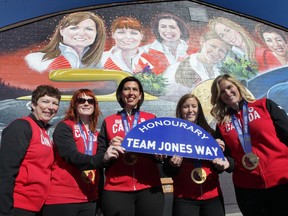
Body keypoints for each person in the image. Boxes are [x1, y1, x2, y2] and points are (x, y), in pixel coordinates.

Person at [210, 74, 288, 216]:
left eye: (229, 87)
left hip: (281, 181)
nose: (227, 93)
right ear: (218, 96)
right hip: (248, 189)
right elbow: (229, 158)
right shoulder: (222, 125)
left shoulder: (264, 105)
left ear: (237, 87)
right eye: (222, 91)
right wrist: (225, 164)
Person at [97, 76, 165, 216]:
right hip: (116, 189)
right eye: (126, 89)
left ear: (140, 95)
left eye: (135, 89)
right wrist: (108, 153)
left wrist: (160, 155)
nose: (131, 93)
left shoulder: (151, 119)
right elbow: (100, 156)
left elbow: (161, 150)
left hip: (149, 186)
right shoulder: (109, 121)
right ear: (121, 94)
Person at [41, 89, 105, 216]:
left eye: (90, 101)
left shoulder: (97, 134)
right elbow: (71, 156)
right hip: (63, 198)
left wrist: (100, 199)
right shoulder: (64, 127)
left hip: (89, 198)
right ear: (74, 105)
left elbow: (100, 169)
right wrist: (103, 159)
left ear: (95, 106)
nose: (86, 103)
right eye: (81, 100)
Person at [0, 85, 61, 216]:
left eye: (55, 103)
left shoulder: (44, 132)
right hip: (18, 205)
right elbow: (6, 171)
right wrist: (4, 210)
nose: (50, 107)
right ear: (33, 105)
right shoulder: (21, 127)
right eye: (45, 101)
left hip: (37, 206)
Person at [162, 93, 226, 216]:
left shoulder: (210, 135)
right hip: (184, 198)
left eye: (194, 106)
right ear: (180, 110)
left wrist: (220, 156)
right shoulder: (172, 136)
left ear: (199, 110)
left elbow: (219, 169)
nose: (190, 110)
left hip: (212, 196)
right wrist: (172, 165)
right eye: (186, 107)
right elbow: (167, 171)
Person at [25, 11, 106, 73]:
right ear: (62, 31)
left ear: (97, 34)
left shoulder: (101, 62)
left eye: (89, 29)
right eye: (74, 28)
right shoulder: (35, 59)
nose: (81, 33)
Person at [163, 31, 230, 100]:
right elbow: (166, 98)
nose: (216, 52)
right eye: (212, 46)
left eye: (221, 51)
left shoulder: (220, 73)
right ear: (202, 42)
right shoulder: (176, 68)